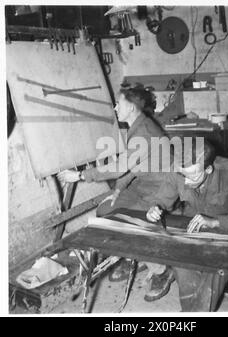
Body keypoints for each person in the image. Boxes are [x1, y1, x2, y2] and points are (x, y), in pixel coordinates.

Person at [57, 85, 175, 302]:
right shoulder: (136, 127)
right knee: (106, 209)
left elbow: (120, 166)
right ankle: (135, 256)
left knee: (132, 220)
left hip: (163, 189)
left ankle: (162, 270)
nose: (114, 107)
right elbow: (131, 168)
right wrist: (118, 189)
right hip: (145, 184)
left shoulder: (145, 131)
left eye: (118, 103)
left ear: (130, 107)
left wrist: (81, 175)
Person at [146, 139, 228, 311]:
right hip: (195, 231)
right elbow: (161, 200)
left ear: (208, 169)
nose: (185, 182)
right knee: (180, 261)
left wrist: (216, 221)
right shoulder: (180, 169)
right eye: (182, 175)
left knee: (215, 269)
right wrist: (154, 208)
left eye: (192, 176)